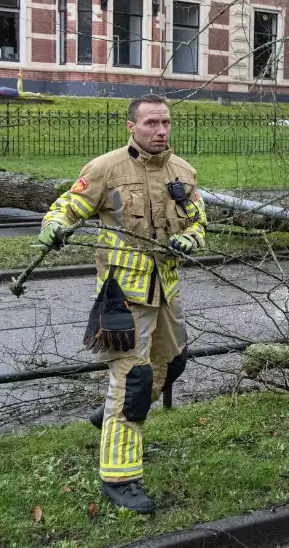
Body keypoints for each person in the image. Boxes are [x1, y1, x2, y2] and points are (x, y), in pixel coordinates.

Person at [37, 94, 207, 514]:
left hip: (166, 291)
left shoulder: (183, 172)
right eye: (151, 123)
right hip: (123, 297)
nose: (160, 131)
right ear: (131, 126)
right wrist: (54, 226)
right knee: (132, 383)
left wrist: (192, 238)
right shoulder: (106, 169)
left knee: (174, 364)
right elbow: (68, 206)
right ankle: (120, 478)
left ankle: (106, 417)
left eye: (165, 123)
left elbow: (200, 221)